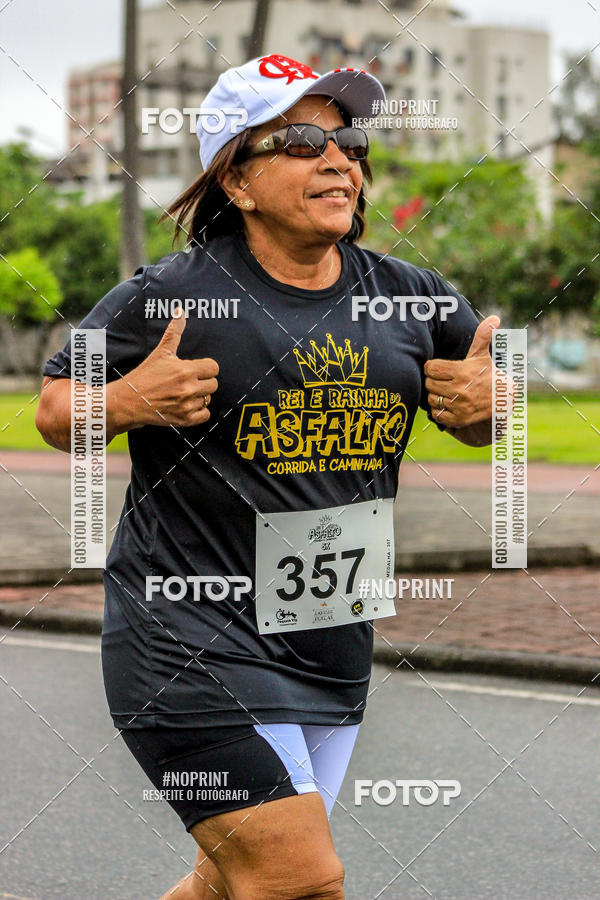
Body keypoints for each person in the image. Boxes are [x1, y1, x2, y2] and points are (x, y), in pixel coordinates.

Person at [36, 54, 498, 900]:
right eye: (301, 142)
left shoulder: (412, 298)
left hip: (330, 637)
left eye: (349, 143)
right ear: (237, 182)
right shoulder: (173, 295)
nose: (339, 160)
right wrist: (130, 399)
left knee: (229, 884)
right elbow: (57, 408)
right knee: (300, 878)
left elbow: (486, 405)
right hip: (188, 635)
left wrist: (491, 408)